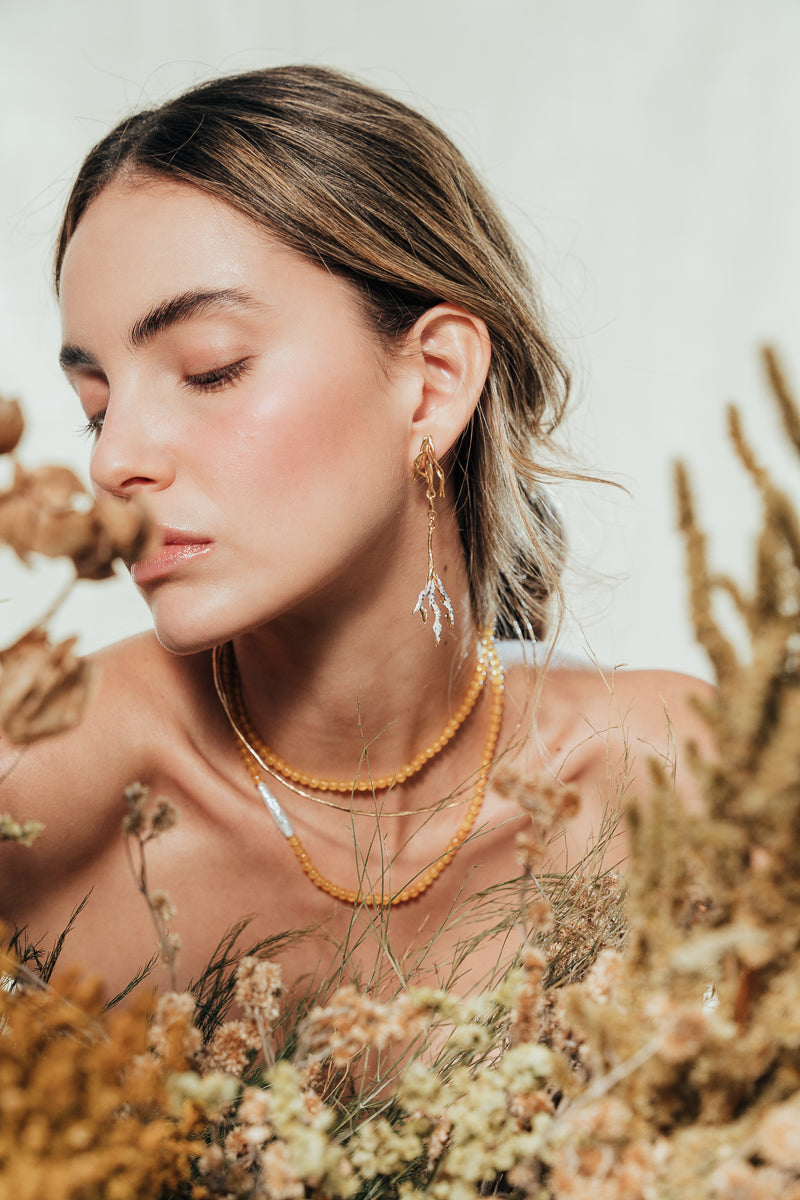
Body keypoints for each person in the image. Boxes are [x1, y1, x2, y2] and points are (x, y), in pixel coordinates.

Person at [0, 66, 711, 1004]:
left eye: (211, 370)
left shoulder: (676, 776)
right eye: (96, 408)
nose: (114, 460)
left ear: (432, 382)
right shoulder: (42, 785)